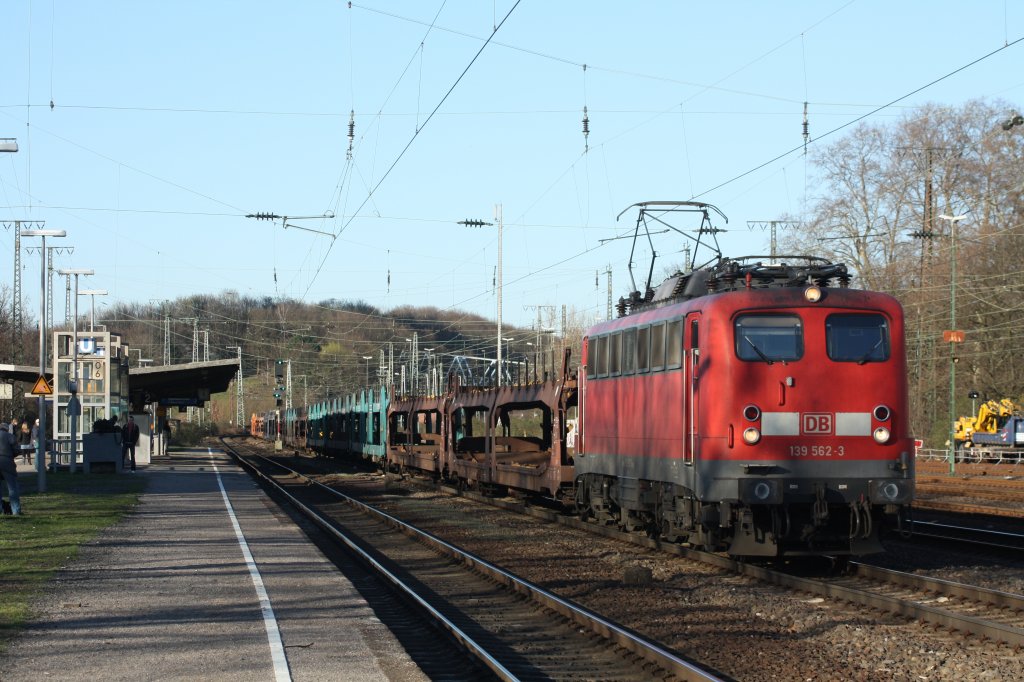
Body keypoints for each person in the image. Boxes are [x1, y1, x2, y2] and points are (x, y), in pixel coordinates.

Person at [0, 422, 22, 516]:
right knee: (12, 487)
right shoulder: (10, 436)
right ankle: (15, 510)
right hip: (7, 462)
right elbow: (16, 450)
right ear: (7, 429)